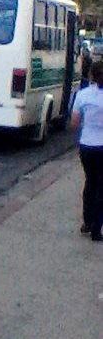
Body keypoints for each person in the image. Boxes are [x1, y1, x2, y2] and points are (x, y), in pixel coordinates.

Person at [70, 59, 103, 241]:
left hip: (86, 145)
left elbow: (74, 123)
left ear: (91, 75)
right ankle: (97, 229)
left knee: (90, 182)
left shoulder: (83, 95)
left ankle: (87, 221)